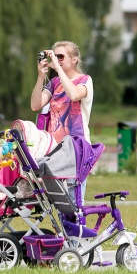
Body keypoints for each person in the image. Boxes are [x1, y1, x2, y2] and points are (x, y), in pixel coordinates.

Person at [30, 41, 94, 202]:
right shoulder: (55, 83)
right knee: (58, 200)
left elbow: (74, 95)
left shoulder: (85, 80)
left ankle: (75, 228)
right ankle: (63, 228)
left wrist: (57, 68)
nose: (57, 60)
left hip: (76, 147)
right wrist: (40, 77)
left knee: (73, 200)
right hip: (55, 148)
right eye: (55, 56)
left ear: (74, 60)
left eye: (60, 56)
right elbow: (35, 105)